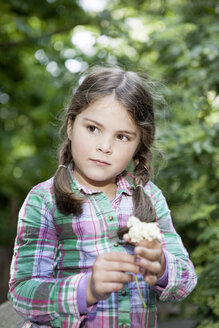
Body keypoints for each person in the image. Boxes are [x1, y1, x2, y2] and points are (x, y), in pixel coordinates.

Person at [8, 67, 197, 328]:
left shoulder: (150, 197)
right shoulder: (45, 200)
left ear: (138, 146)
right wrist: (87, 289)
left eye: (121, 136)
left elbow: (185, 282)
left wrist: (162, 265)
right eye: (93, 128)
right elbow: (23, 294)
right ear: (71, 126)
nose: (105, 147)